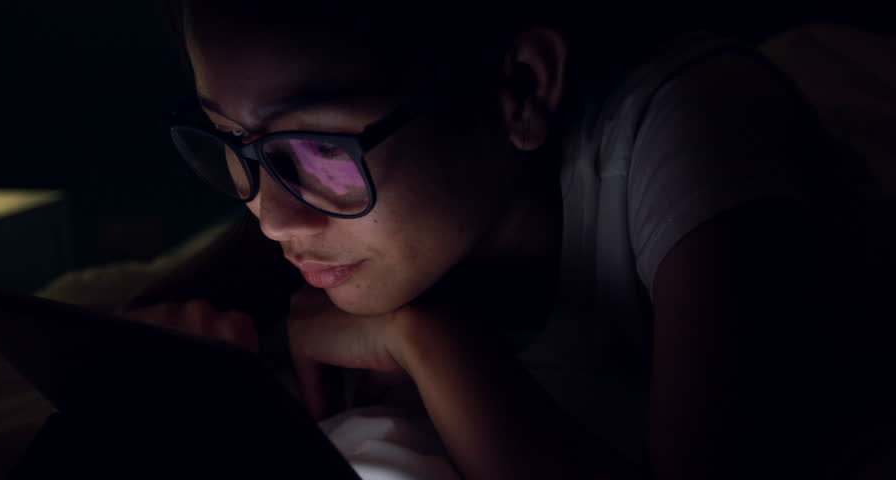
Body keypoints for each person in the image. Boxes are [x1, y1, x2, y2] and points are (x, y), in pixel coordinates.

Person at [125, 2, 896, 478]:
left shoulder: (693, 125)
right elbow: (177, 304)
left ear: (522, 88)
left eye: (320, 148)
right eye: (230, 142)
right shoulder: (387, 207)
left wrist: (427, 342)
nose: (275, 220)